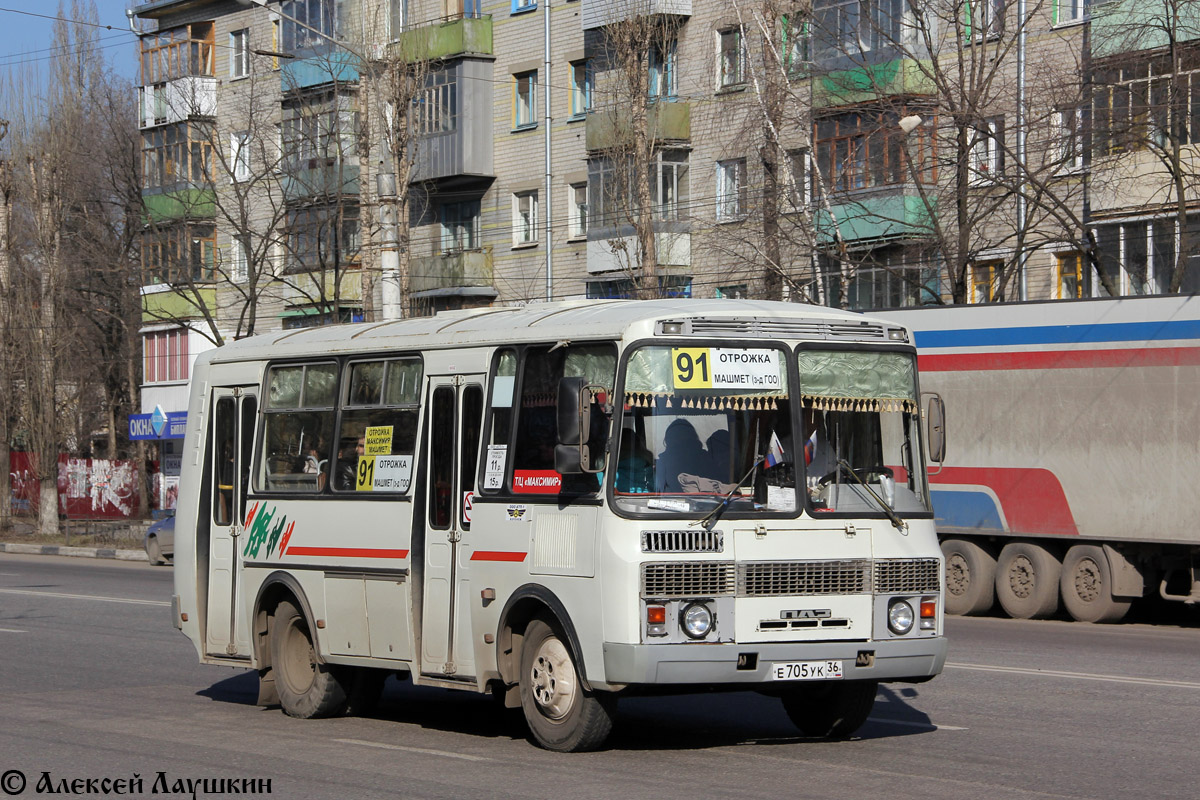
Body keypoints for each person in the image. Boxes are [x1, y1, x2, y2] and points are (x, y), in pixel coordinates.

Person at [655, 419, 706, 493]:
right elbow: (657, 493)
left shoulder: (706, 460)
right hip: (666, 502)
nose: (681, 447)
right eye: (677, 441)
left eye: (685, 442)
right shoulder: (661, 464)